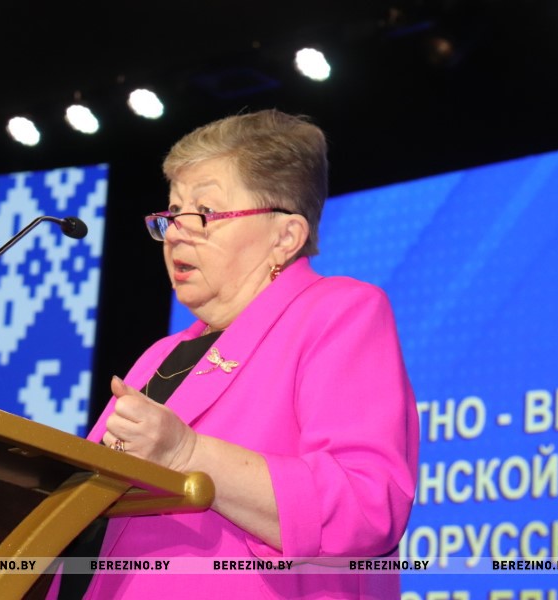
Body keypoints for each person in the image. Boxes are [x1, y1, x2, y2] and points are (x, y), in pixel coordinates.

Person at [57, 109, 418, 599]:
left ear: (285, 237)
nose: (175, 232)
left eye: (203, 213)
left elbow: (366, 506)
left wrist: (188, 453)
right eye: (172, 212)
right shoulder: (159, 355)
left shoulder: (339, 313)